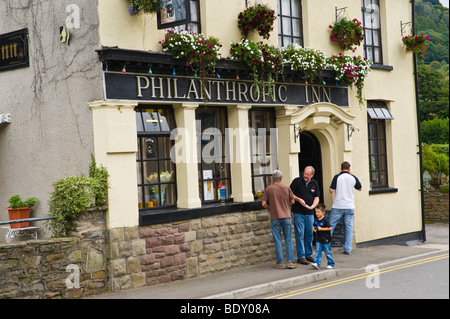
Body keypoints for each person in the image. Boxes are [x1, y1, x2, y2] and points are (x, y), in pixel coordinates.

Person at [262, 170, 296, 269]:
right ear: (281, 178)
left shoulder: (269, 189)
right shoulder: (287, 187)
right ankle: (290, 262)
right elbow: (293, 201)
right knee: (288, 239)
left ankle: (280, 262)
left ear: (273, 178)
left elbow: (263, 203)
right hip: (286, 216)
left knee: (277, 240)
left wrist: (270, 208)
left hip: (275, 216)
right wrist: (286, 206)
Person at [329, 161, 362, 255]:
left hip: (338, 205)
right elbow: (360, 188)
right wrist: (353, 175)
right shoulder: (353, 177)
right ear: (349, 168)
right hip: (349, 206)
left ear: (341, 168)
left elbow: (331, 191)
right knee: (349, 228)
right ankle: (347, 249)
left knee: (330, 226)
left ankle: (325, 245)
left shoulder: (337, 177)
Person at [290, 166, 320, 265]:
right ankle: (301, 256)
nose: (305, 176)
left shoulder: (314, 183)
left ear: (312, 175)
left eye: (308, 174)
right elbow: (290, 194)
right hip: (298, 212)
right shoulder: (297, 181)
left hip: (310, 213)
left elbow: (316, 197)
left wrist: (313, 206)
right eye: (304, 173)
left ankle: (308, 254)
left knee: (309, 234)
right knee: (300, 234)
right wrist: (298, 199)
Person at [311, 203, 335, 270]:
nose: (317, 213)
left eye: (318, 212)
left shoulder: (325, 220)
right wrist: (314, 229)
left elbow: (330, 228)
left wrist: (321, 229)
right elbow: (314, 226)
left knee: (328, 252)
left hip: (326, 239)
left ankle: (331, 263)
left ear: (323, 212)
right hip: (318, 239)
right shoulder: (316, 220)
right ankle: (316, 263)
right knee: (317, 252)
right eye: (316, 212)